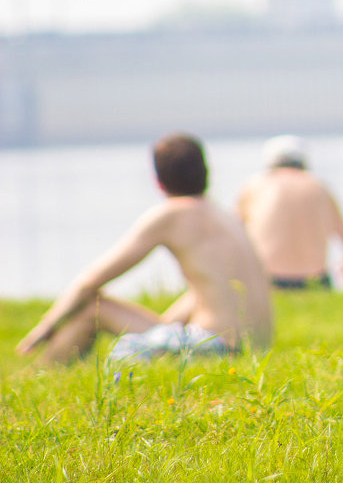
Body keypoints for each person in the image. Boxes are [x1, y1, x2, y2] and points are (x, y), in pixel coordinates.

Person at [16, 133, 273, 365]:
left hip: (212, 347)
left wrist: (44, 328)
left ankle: (39, 377)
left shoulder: (172, 215)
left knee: (91, 308)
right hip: (250, 349)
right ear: (206, 172)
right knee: (144, 322)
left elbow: (89, 283)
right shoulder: (225, 216)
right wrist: (164, 327)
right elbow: (207, 291)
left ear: (158, 181)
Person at [237, 135, 343, 290]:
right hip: (314, 281)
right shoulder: (319, 186)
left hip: (269, 281)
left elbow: (233, 231)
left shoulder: (256, 185)